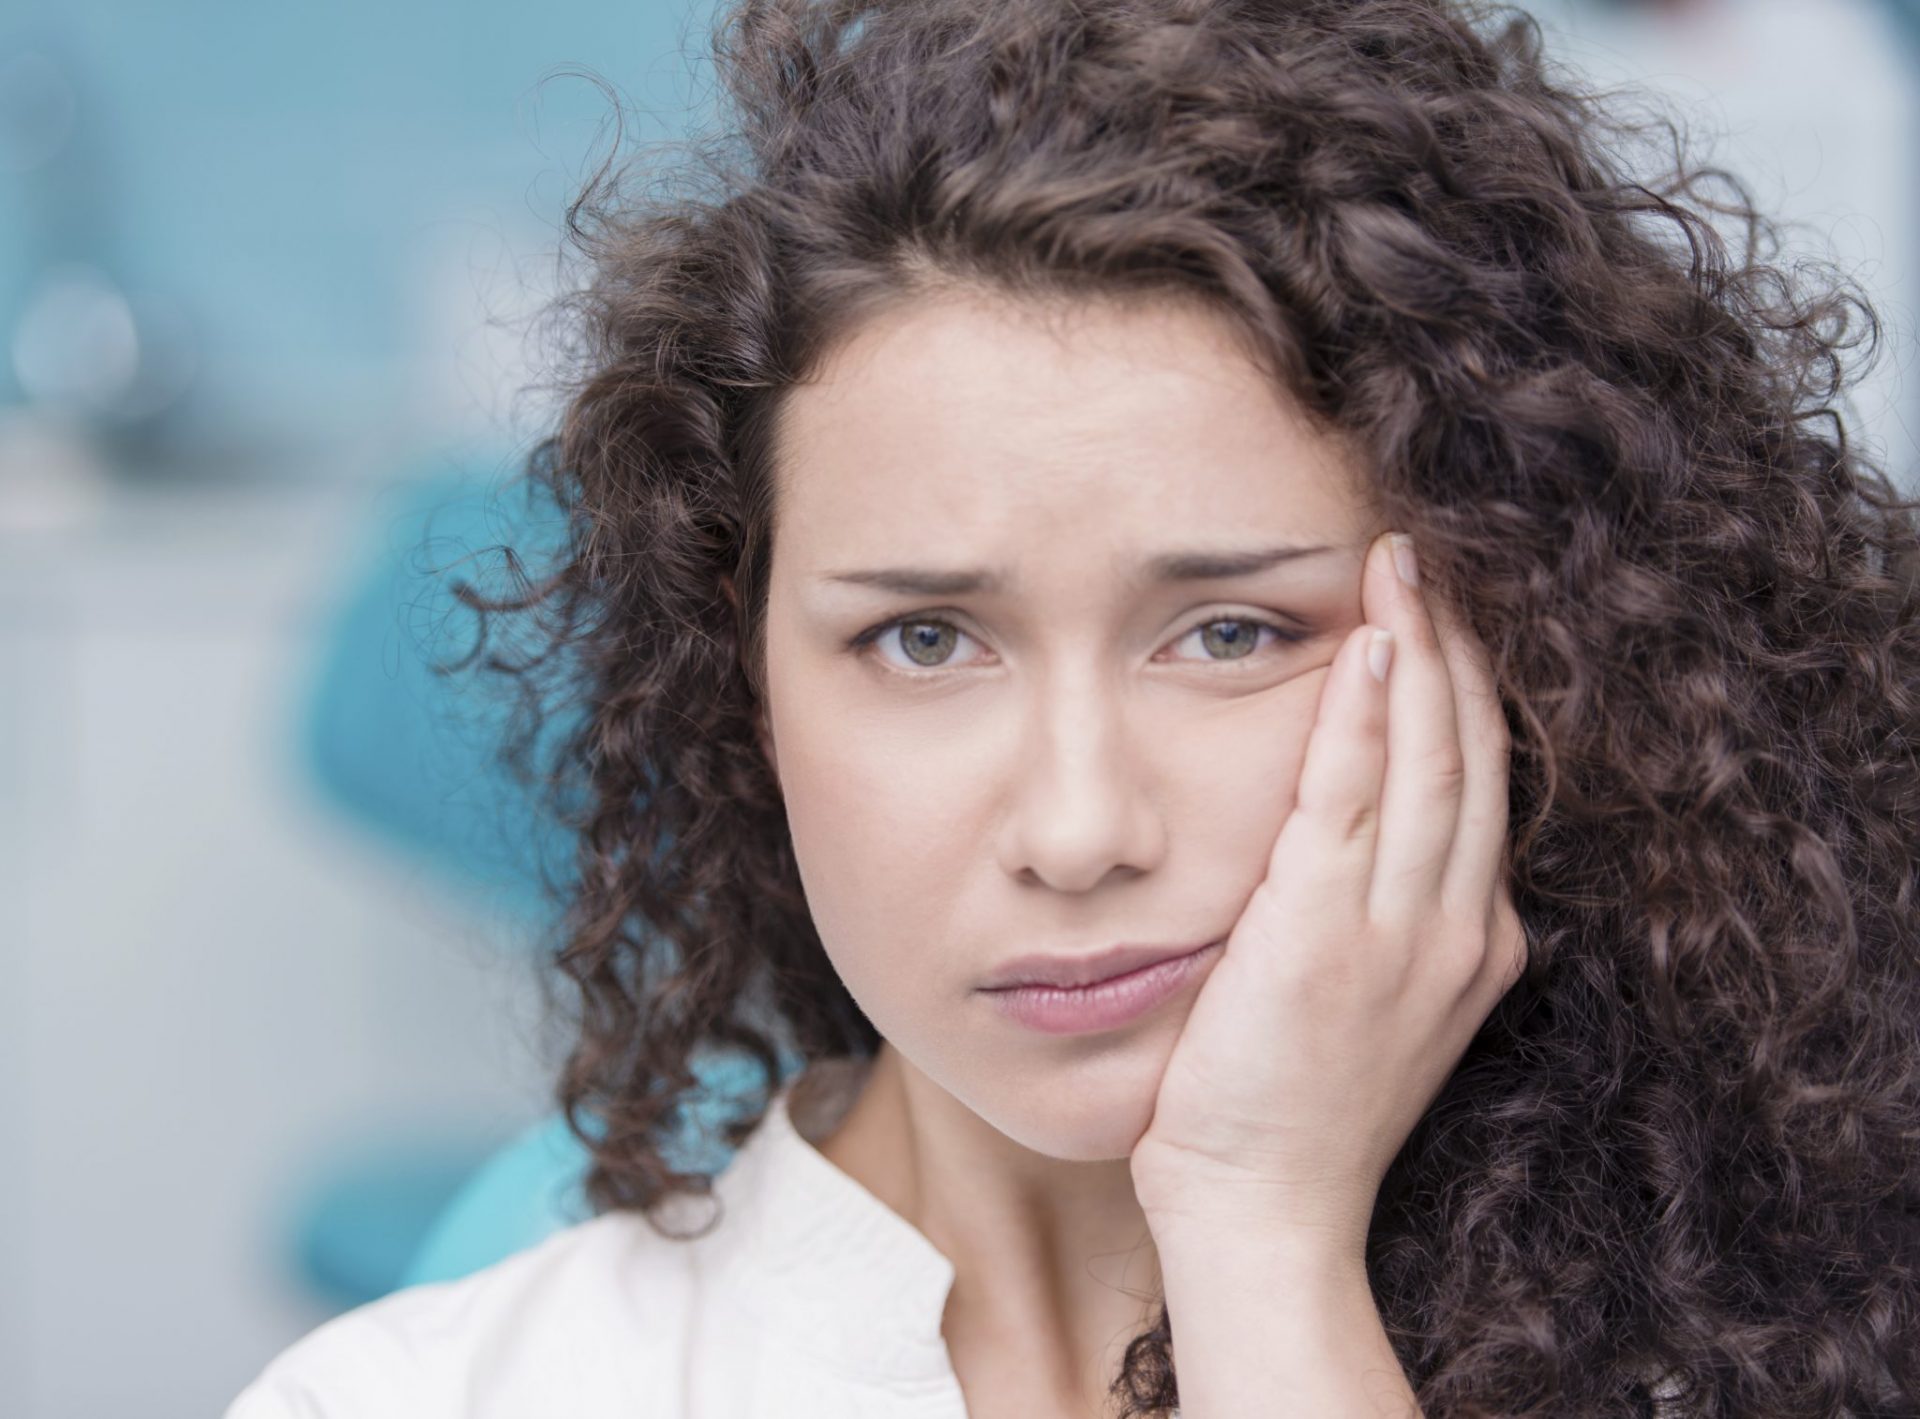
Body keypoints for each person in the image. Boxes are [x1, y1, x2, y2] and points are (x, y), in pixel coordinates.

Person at [225, 0, 1920, 1414]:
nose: (1080, 829)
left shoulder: (1784, 1348)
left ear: (1523, 643)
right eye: (924, 643)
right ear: (743, 692)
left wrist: (1261, 1241)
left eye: (1235, 632)